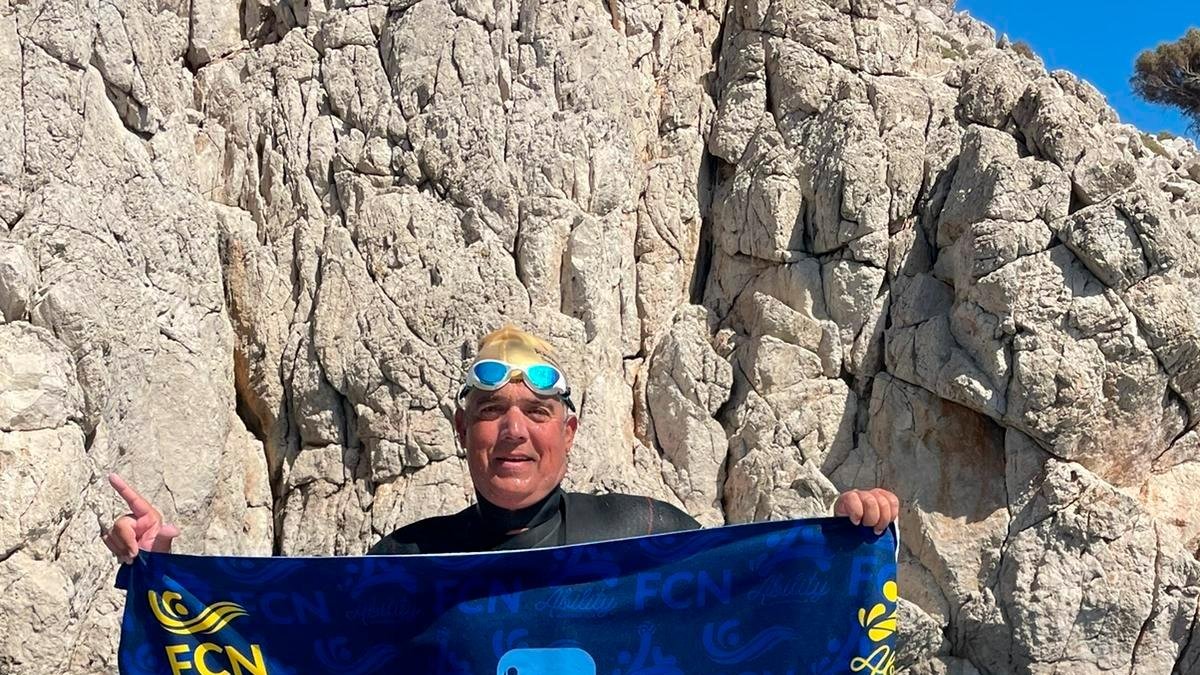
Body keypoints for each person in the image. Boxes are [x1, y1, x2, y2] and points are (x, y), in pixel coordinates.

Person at [102, 326, 899, 562]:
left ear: (570, 432)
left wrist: (847, 543)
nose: (513, 429)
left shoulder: (650, 535)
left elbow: (766, 612)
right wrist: (170, 576)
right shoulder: (406, 565)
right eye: (490, 410)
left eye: (536, 410)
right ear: (462, 431)